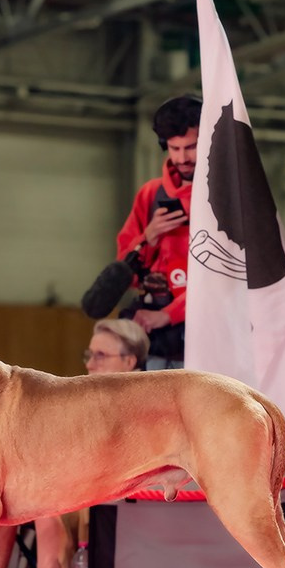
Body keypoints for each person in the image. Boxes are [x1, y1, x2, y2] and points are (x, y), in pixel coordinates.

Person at [2, 318, 150, 568]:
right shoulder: (83, 396)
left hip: (124, 493)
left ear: (129, 361)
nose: (89, 363)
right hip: (78, 485)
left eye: (100, 355)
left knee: (45, 502)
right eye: (89, 354)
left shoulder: (147, 398)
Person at [116, 94, 201, 370]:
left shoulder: (225, 198)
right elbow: (122, 271)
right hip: (155, 332)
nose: (183, 158)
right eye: (175, 149)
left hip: (206, 330)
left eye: (192, 147)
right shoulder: (151, 194)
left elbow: (229, 279)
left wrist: (168, 314)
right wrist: (148, 237)